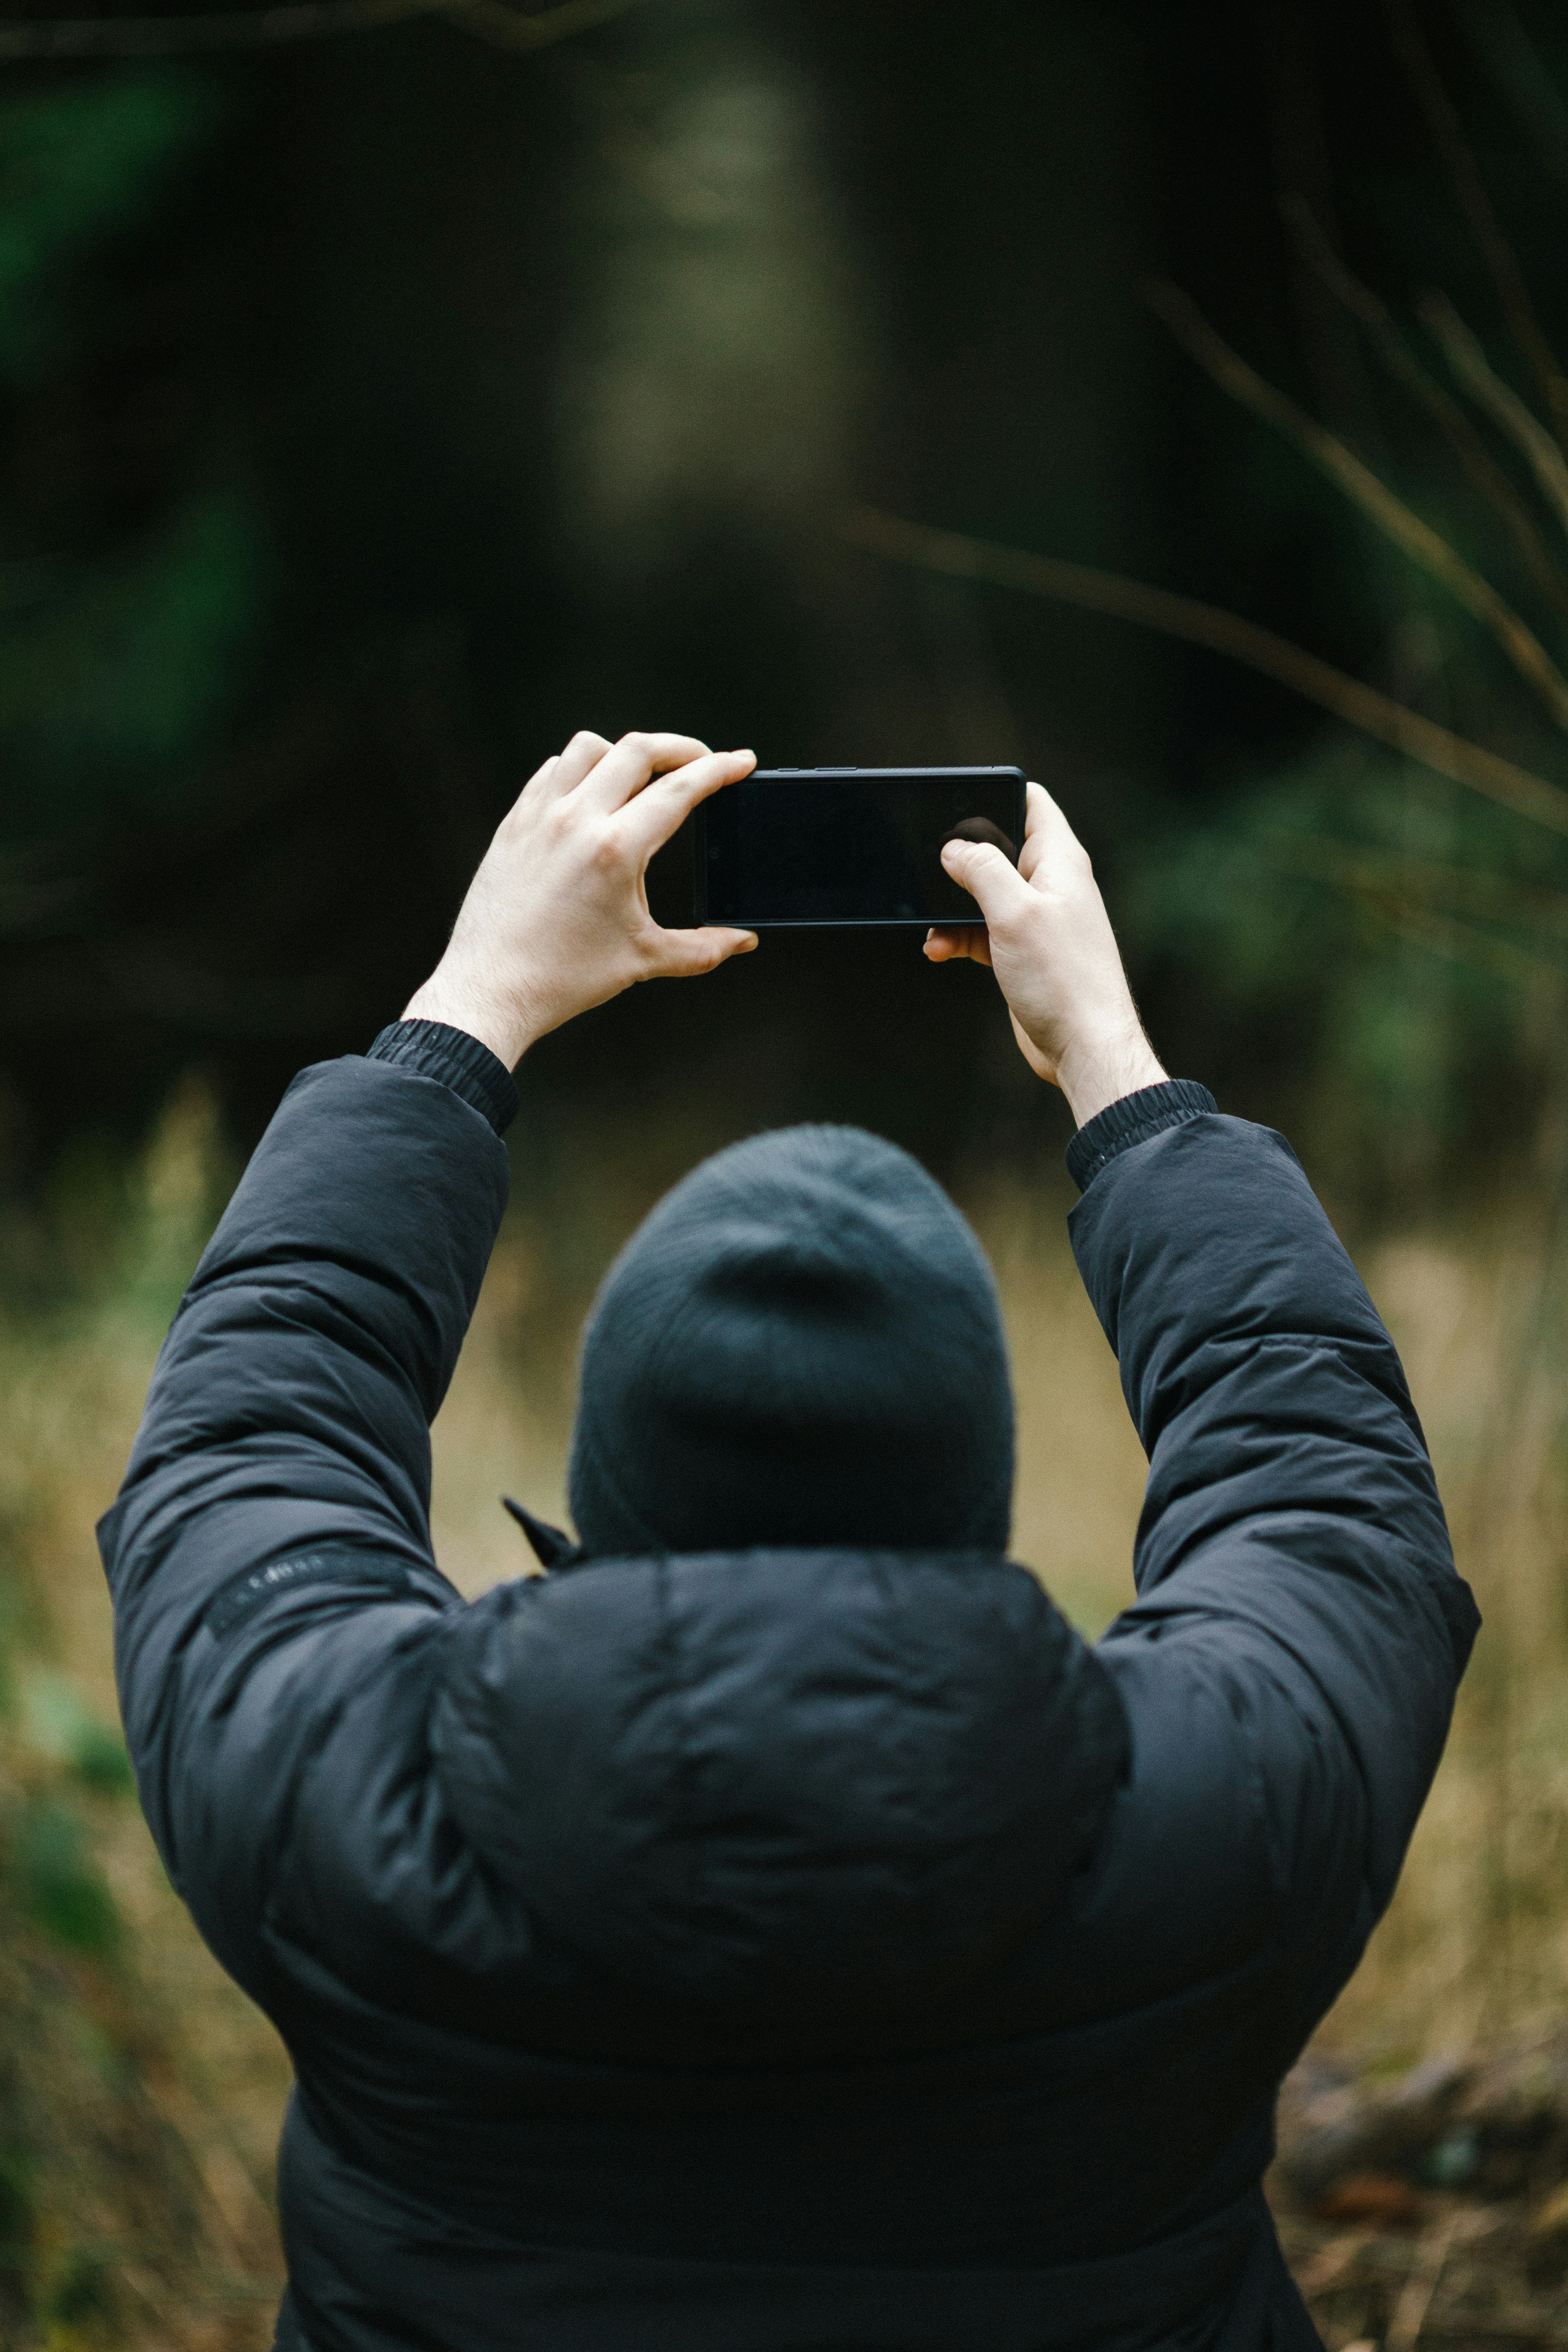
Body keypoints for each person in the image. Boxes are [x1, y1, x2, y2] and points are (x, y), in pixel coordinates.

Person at [100, 729, 1477, 2352]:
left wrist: (465, 1013)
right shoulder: (1215, 1816)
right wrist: (1111, 1061)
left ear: (607, 1484)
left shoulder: (340, 1803)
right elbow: (1319, 1473)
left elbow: (252, 1422)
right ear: (974, 1484)